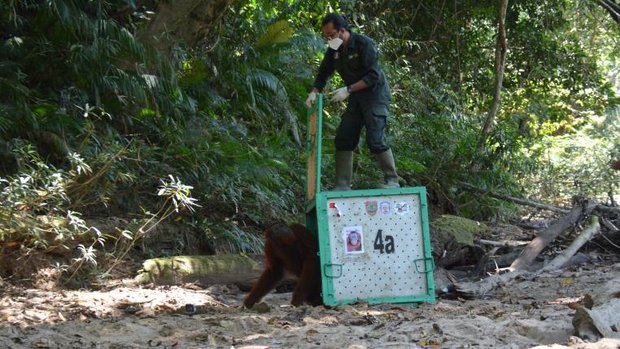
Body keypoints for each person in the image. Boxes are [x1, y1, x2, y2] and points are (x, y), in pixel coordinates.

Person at [306, 13, 399, 190]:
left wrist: (347, 90)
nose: (329, 39)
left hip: (375, 95)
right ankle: (342, 184)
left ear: (342, 31)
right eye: (326, 36)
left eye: (331, 35)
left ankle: (392, 180)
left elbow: (373, 75)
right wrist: (313, 93)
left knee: (375, 139)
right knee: (344, 136)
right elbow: (323, 74)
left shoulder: (364, 44)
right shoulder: (334, 50)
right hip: (356, 97)